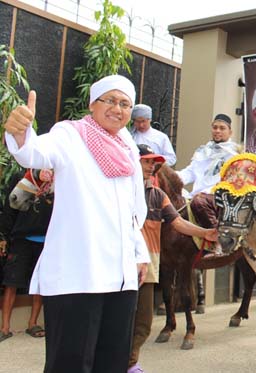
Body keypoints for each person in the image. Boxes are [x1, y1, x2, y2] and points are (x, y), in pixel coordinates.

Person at [3, 75, 149, 372]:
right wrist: (21, 133)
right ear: (92, 104)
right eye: (109, 100)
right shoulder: (70, 134)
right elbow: (35, 152)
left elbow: (134, 211)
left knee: (112, 361)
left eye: (124, 104)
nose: (117, 109)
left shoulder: (129, 147)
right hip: (77, 274)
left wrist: (140, 252)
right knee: (70, 363)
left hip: (121, 276)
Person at [128, 144, 218, 373]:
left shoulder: (158, 196)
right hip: (118, 265)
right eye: (146, 161)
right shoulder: (118, 191)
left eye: (153, 163)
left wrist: (205, 233)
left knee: (143, 323)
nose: (151, 167)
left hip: (147, 266)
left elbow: (178, 223)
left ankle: (130, 363)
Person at [0, 169, 53, 343]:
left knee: (40, 283)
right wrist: (4, 235)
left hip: (47, 238)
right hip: (22, 236)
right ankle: (4, 327)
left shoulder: (58, 178)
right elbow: (10, 208)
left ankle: (33, 323)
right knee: (12, 281)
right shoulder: (21, 175)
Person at [177, 114, 240, 251]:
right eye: (215, 127)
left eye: (222, 128)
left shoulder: (235, 154)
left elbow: (233, 181)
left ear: (230, 132)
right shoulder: (203, 150)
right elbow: (191, 172)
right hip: (198, 193)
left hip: (219, 196)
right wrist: (173, 179)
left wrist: (209, 191)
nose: (217, 131)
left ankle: (218, 239)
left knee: (198, 201)